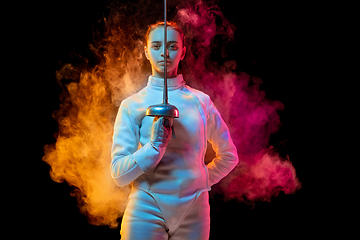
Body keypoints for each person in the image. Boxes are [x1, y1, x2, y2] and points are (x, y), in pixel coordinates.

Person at [111, 21, 239, 240]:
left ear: (183, 51)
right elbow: (119, 175)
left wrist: (201, 180)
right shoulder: (132, 105)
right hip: (146, 207)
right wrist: (153, 148)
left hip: (194, 210)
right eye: (157, 46)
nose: (164, 53)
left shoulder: (201, 101)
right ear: (146, 51)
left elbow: (229, 156)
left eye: (172, 46)